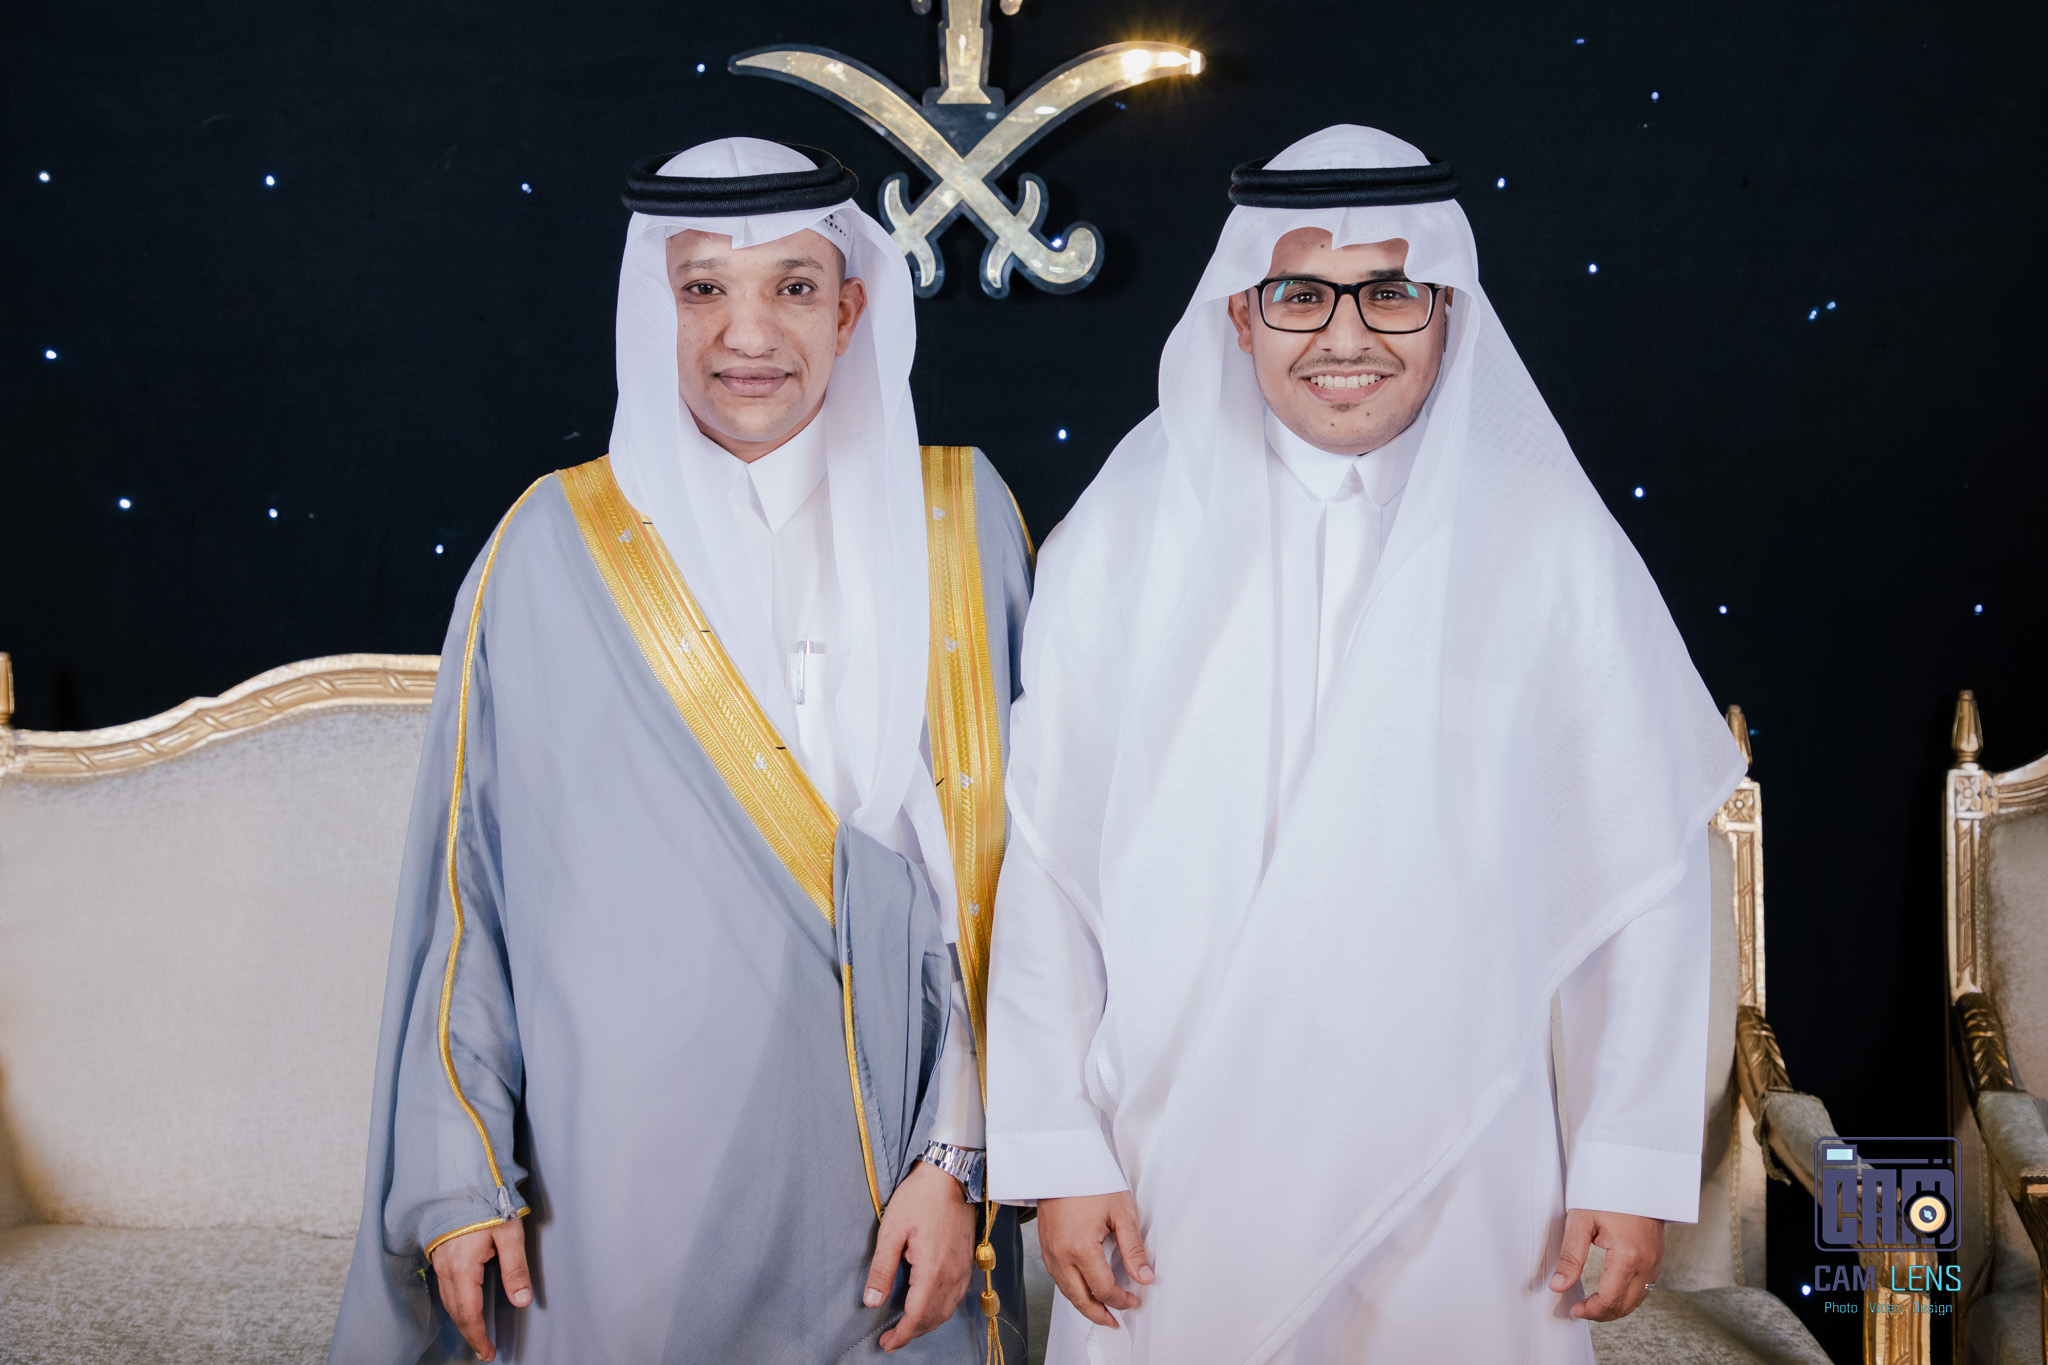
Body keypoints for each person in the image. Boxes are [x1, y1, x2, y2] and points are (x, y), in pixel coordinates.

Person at [984, 125, 1745, 1363]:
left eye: (1390, 294)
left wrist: (1624, 1158)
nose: (1345, 337)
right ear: (1239, 315)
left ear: (1448, 315)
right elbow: (1045, 867)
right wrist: (1058, 1147)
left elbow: (1638, 881)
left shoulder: (1547, 546)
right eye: (1301, 295)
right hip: (1172, 1161)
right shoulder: (1121, 537)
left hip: (1464, 1167)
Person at [329, 137, 1031, 1364]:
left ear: (850, 310)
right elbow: (465, 896)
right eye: (703, 287)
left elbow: (1008, 890)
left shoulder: (958, 520)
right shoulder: (546, 547)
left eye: (792, 287)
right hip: (610, 1198)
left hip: (889, 1195)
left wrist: (955, 1158)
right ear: (653, 307)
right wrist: (459, 1177)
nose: (745, 333)